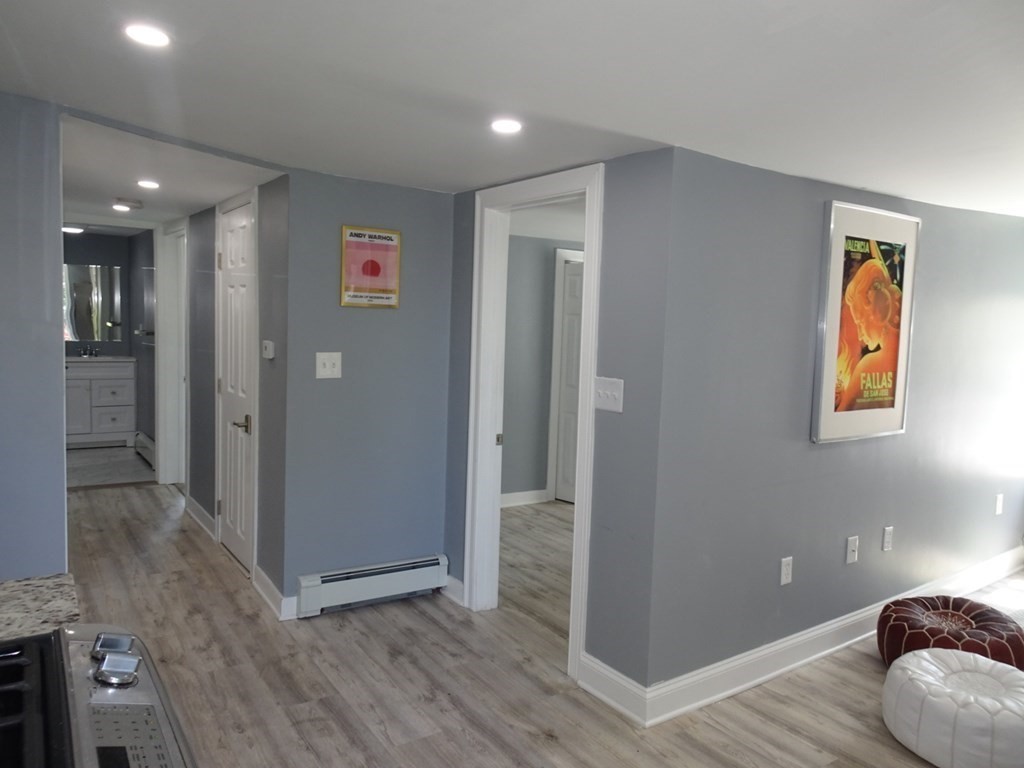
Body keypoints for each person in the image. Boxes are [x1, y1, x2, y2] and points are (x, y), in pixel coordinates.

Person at [835, 249, 902, 412]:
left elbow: (836, 422)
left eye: (860, 322)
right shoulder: (900, 355)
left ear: (874, 312)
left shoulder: (868, 366)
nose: (860, 334)